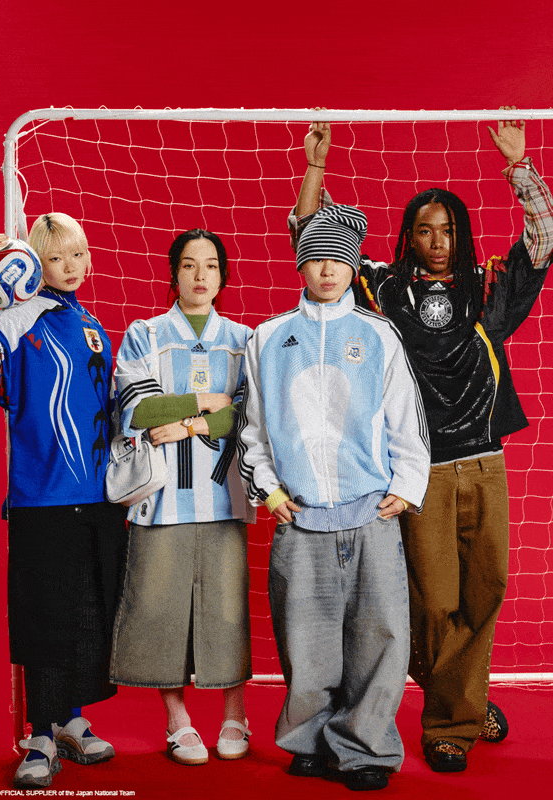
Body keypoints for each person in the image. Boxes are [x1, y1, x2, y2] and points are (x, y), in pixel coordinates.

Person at [291, 110, 553, 772]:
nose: (438, 241)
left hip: (485, 462)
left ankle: (457, 708)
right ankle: (455, 709)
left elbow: (544, 237)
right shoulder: (383, 290)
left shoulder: (488, 287)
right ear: (408, 236)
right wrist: (316, 167)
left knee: (484, 591)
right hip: (421, 470)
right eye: (425, 231)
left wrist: (520, 167)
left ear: (460, 236)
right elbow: (311, 238)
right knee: (433, 601)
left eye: (448, 231)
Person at [237, 204, 431, 791]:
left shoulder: (377, 334)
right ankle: (308, 739)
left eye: (337, 261)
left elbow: (405, 417)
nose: (326, 270)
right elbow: (254, 427)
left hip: (370, 511)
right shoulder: (269, 338)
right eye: (315, 259)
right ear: (300, 266)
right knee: (306, 636)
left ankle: (367, 745)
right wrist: (267, 490)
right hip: (300, 517)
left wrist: (405, 485)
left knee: (381, 633)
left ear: (352, 268)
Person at [0, 215, 128, 789]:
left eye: (78, 254)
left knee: (88, 614)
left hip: (99, 501)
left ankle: (76, 720)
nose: (72, 266)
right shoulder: (19, 321)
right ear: (34, 266)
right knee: (44, 618)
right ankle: (41, 735)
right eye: (57, 258)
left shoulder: (97, 327)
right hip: (41, 501)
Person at [110, 229, 255, 765]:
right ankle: (179, 721)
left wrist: (186, 421)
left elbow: (248, 414)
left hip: (222, 496)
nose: (200, 276)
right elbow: (138, 412)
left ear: (222, 276)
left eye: (211, 266)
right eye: (189, 265)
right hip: (161, 497)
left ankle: (235, 715)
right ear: (173, 273)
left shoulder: (245, 339)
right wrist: (202, 401)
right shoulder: (144, 334)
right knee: (161, 607)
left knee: (227, 609)